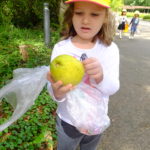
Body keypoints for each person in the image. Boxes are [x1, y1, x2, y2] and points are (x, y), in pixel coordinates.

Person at [47, 0, 120, 150]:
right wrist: (57, 92)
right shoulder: (61, 48)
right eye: (79, 13)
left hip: (95, 120)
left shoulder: (109, 49)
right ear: (71, 15)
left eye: (94, 14)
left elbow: (113, 87)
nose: (85, 20)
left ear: (105, 17)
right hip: (68, 121)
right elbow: (53, 89)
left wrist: (100, 76)